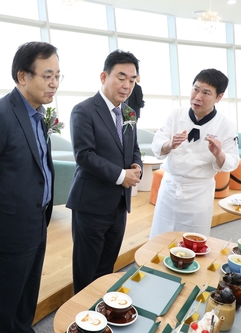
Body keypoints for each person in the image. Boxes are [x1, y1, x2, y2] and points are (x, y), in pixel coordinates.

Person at [0, 41, 58, 333]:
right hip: (9, 225)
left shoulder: (39, 114)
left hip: (38, 220)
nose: (54, 83)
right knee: (6, 301)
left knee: (27, 296)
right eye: (47, 75)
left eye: (58, 76)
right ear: (22, 77)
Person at [66, 50, 143, 294]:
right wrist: (122, 176)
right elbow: (84, 155)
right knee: (86, 270)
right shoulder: (84, 110)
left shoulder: (129, 112)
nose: (127, 85)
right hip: (91, 205)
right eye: (121, 77)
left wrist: (136, 166)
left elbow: (134, 148)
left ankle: (100, 316)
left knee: (106, 269)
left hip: (119, 206)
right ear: (103, 76)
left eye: (132, 80)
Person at [149, 68, 240, 240]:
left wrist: (218, 153)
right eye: (195, 89)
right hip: (170, 187)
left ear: (219, 97)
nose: (198, 96)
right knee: (160, 236)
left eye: (206, 92)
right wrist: (170, 144)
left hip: (198, 193)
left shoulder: (225, 125)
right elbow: (157, 143)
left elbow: (233, 161)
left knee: (192, 240)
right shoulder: (176, 115)